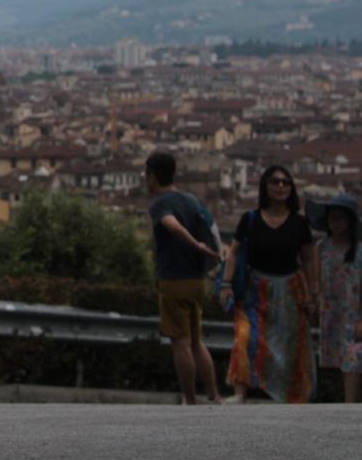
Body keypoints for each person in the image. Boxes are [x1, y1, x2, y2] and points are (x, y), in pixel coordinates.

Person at [220, 164, 318, 403]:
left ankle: (290, 395)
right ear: (265, 186)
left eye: (285, 182)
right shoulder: (250, 219)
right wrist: (226, 284)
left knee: (289, 345)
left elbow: (308, 259)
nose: (281, 186)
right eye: (275, 181)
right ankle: (240, 392)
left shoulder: (299, 224)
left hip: (291, 289)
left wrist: (314, 293)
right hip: (255, 289)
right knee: (244, 336)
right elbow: (233, 253)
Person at [142, 151, 222, 405]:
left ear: (152, 176)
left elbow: (173, 226)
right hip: (199, 280)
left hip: (174, 280)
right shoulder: (192, 200)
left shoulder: (159, 204)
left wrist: (195, 244)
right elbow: (212, 228)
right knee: (197, 342)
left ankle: (190, 399)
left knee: (181, 344)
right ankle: (213, 394)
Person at [316, 194, 362, 403]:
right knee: (341, 359)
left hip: (354, 312)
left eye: (340, 218)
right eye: (332, 218)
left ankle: (350, 403)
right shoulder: (322, 247)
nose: (335, 223)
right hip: (331, 312)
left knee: (352, 356)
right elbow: (317, 280)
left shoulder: (359, 250)